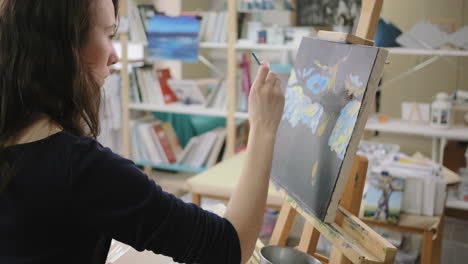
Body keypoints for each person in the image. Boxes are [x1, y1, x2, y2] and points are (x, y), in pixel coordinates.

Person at [0, 0, 285, 263]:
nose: (114, 55)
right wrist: (264, 127)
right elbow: (228, 248)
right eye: (109, 34)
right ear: (63, 45)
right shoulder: (80, 169)